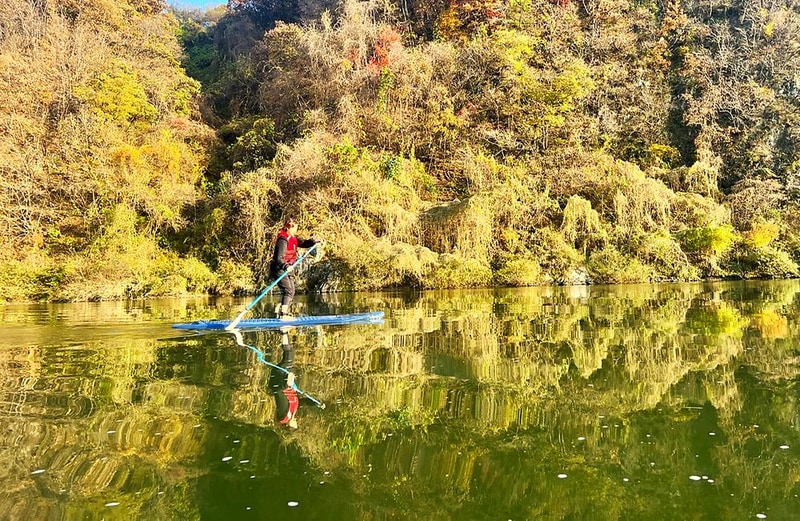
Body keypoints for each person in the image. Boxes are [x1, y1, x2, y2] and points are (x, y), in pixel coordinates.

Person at [269, 217, 320, 319]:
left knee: (291, 291)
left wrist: (313, 242)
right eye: (294, 228)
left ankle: (281, 311)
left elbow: (304, 243)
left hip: (288, 268)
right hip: (279, 268)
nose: (295, 230)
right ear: (288, 228)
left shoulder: (294, 238)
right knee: (288, 290)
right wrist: (286, 266)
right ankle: (283, 315)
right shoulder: (282, 240)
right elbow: (279, 258)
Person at [268, 328, 299, 429]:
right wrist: (316, 403)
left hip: (279, 379)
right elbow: (301, 402)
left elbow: (278, 392)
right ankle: (282, 333)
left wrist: (287, 384)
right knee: (290, 354)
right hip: (284, 380)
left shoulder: (284, 415)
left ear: (289, 426)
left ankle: (283, 331)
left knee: (289, 356)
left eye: (295, 426)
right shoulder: (292, 413)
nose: (296, 423)